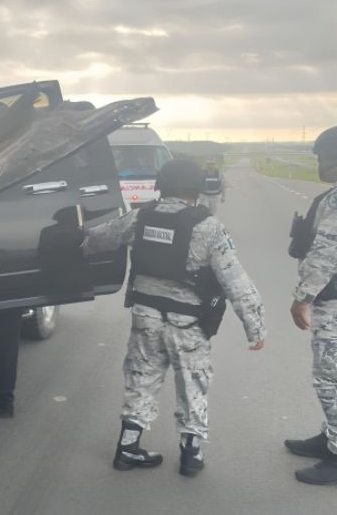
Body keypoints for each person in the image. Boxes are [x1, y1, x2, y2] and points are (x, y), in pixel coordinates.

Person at [84, 158, 266, 476]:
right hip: (188, 324)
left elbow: (99, 238)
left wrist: (69, 240)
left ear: (161, 185)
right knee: (193, 385)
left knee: (141, 380)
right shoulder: (208, 227)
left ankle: (127, 448)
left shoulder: (140, 217)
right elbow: (235, 281)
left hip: (146, 318)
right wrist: (255, 327)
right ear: (196, 189)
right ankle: (190, 455)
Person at [284, 126, 337, 485]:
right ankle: (329, 438)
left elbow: (327, 251)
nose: (318, 161)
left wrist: (303, 298)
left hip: (332, 300)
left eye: (321, 155)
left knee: (330, 379)